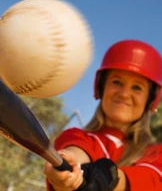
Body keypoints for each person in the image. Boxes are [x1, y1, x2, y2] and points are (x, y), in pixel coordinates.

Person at [43, 39, 162, 191]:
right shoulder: (76, 137)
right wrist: (68, 170)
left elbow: (150, 180)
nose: (124, 94)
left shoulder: (156, 154)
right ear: (101, 87)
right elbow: (75, 153)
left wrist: (108, 178)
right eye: (117, 82)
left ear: (150, 100)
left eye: (137, 87)